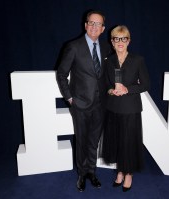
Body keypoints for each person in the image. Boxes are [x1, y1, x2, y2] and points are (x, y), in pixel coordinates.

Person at [56, 10, 111, 192]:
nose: (95, 27)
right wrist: (70, 98)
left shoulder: (105, 48)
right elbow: (62, 74)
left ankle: (91, 172)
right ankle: (81, 175)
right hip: (80, 104)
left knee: (94, 141)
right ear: (86, 25)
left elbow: (104, 76)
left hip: (100, 105)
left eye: (99, 24)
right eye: (92, 23)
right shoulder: (73, 46)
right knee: (81, 140)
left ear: (103, 29)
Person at [101, 25, 150, 192]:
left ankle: (128, 174)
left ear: (128, 41)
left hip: (130, 109)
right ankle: (120, 172)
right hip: (113, 108)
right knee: (117, 142)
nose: (120, 42)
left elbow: (146, 84)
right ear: (112, 42)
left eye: (123, 38)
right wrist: (110, 90)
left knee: (128, 143)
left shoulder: (138, 60)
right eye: (116, 38)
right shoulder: (109, 61)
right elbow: (105, 84)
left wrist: (128, 89)